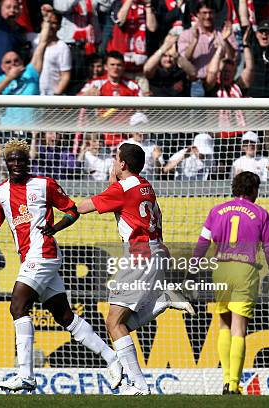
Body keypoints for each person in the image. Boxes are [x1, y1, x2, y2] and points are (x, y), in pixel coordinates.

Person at [0, 139, 123, 392]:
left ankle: (25, 374)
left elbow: (72, 210)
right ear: (5, 163)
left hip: (44, 252)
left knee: (17, 305)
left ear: (28, 162)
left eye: (20, 160)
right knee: (64, 315)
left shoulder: (44, 184)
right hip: (29, 256)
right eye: (11, 160)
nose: (16, 164)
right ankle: (113, 358)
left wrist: (55, 227)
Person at [76, 142, 194, 395]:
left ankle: (140, 385)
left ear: (122, 164)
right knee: (121, 324)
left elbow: (82, 207)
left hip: (139, 253)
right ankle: (162, 302)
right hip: (155, 249)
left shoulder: (121, 188)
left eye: (115, 158)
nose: (113, 162)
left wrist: (52, 205)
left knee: (113, 322)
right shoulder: (145, 186)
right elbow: (132, 205)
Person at [191, 171, 269, 394]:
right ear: (253, 190)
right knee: (239, 328)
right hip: (244, 271)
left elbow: (202, 243)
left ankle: (225, 380)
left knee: (223, 325)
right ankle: (233, 384)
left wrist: (192, 271)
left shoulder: (216, 210)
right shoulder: (261, 213)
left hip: (220, 270)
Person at [0, 20, 50, 126]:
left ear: (22, 62)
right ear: (2, 67)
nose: (13, 64)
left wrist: (47, 20)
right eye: (8, 62)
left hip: (33, 132)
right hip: (10, 133)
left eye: (16, 60)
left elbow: (42, 44)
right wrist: (9, 77)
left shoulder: (31, 72)